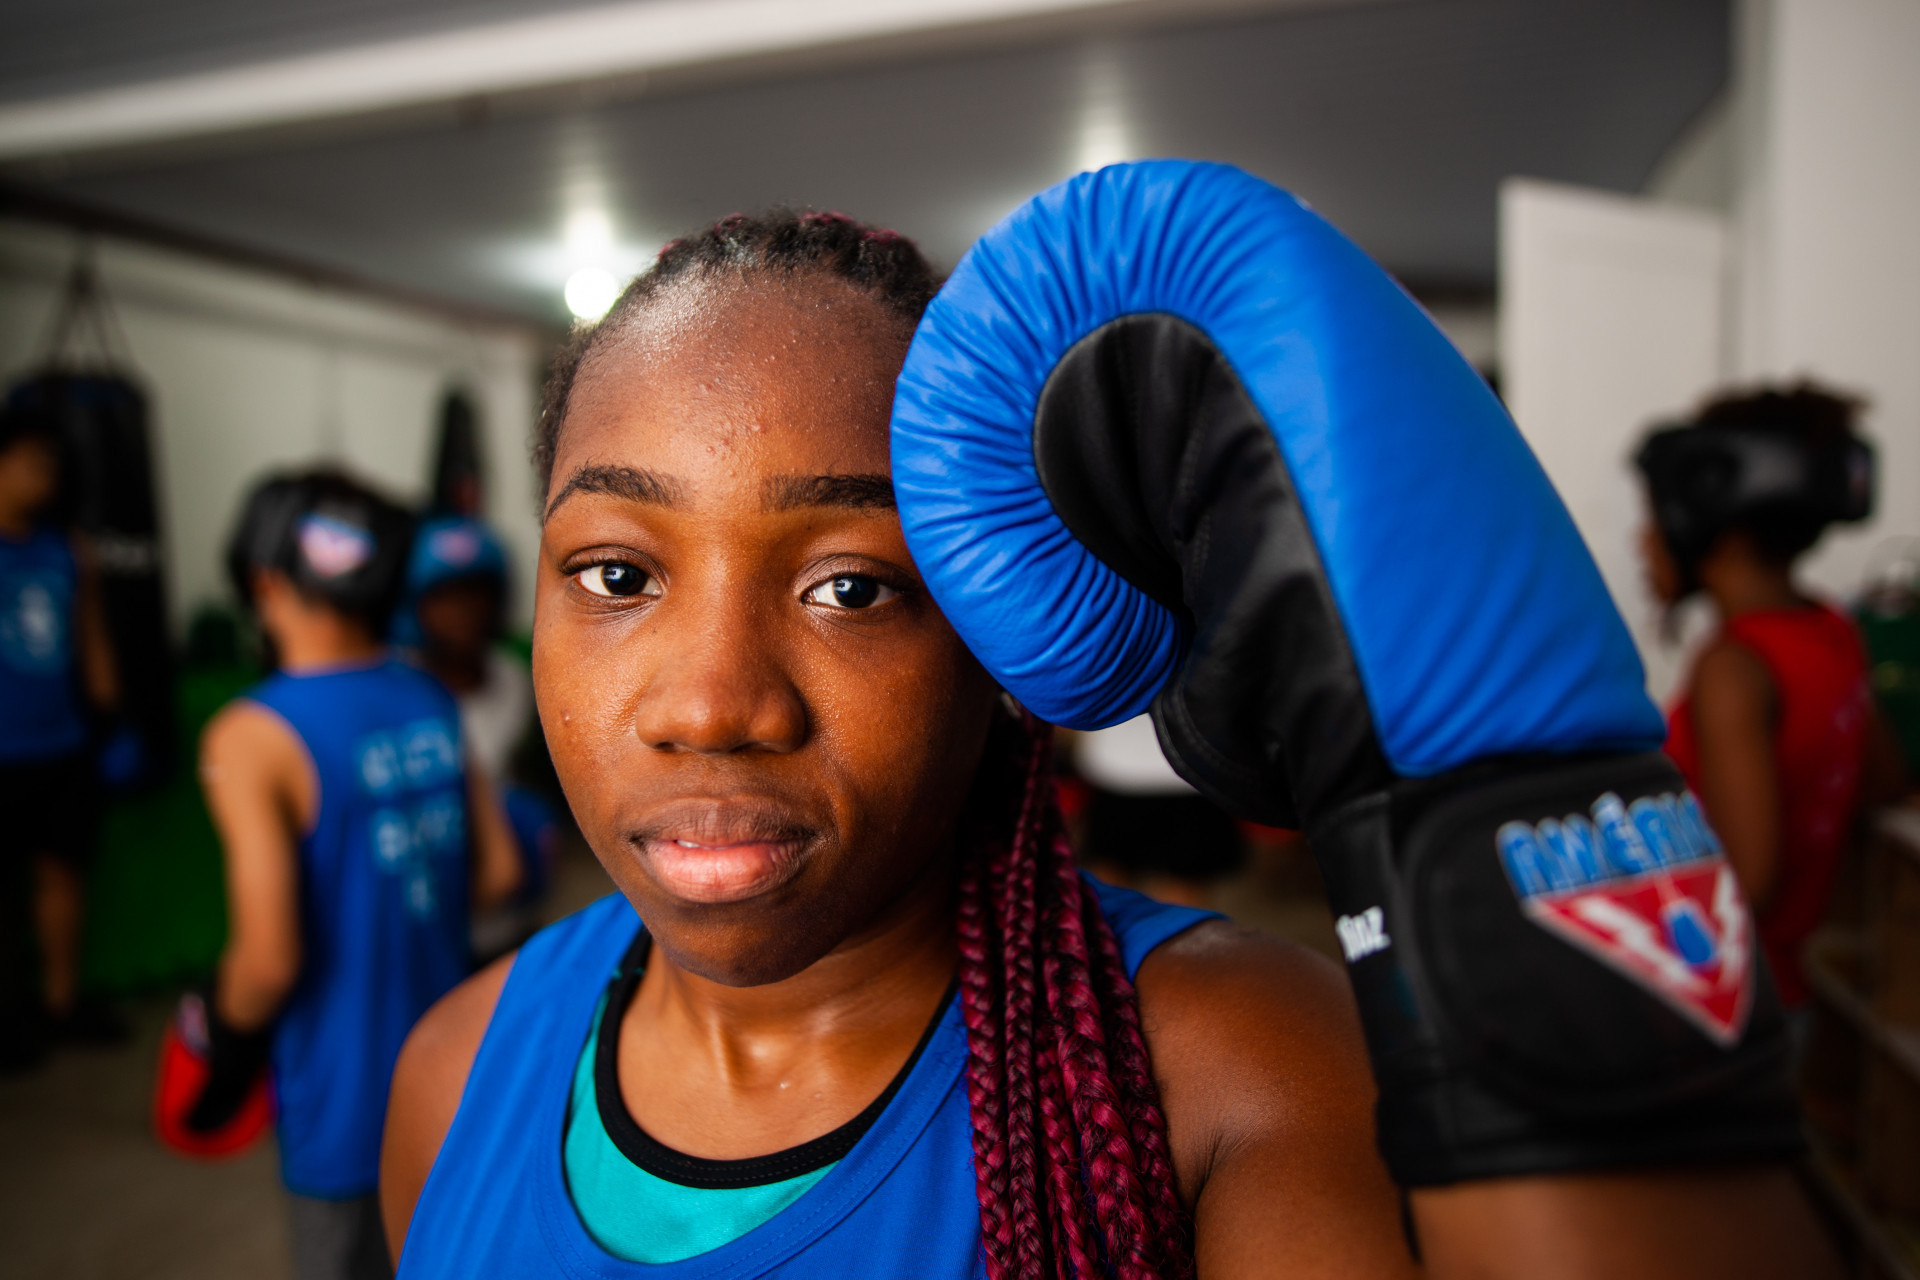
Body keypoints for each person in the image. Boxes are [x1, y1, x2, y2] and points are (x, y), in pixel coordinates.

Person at [382, 183, 1836, 1279]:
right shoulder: (458, 1070)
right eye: (618, 574)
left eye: (852, 586)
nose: (710, 704)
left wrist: (1498, 824)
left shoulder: (1234, 1070)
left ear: (998, 638)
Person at [186, 470, 520, 1280]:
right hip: (447, 1079)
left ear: (263, 583)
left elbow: (268, 962)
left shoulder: (252, 735)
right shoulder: (429, 696)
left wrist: (219, 1042)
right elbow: (501, 872)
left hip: (338, 1102)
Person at [1638, 384, 1905, 1015]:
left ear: (1702, 514)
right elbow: (1882, 780)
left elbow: (1748, 880)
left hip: (1724, 1002)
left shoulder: (1733, 668)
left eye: (1651, 516)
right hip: (1787, 996)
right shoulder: (1832, 633)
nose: (1641, 542)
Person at [0, 402, 119, 1070]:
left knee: (61, 877)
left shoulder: (66, 548)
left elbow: (89, 633)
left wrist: (111, 711)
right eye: (30, 462)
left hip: (60, 742)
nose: (43, 476)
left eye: (51, 463)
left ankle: (61, 1005)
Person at [396, 513, 559, 956]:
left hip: (509, 912)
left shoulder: (512, 678)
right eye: (445, 597)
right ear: (416, 605)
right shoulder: (399, 688)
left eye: (476, 594)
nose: (464, 611)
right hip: (428, 910)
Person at [1070, 716, 1244, 907]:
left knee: (1109, 882)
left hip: (1121, 765)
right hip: (1195, 764)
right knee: (1182, 885)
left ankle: (1103, 934)